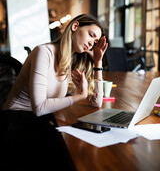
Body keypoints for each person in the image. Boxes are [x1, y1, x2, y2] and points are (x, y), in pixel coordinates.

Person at [0, 14, 107, 170]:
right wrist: (79, 96)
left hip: (40, 120)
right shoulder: (44, 52)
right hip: (15, 123)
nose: (92, 43)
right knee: (70, 154)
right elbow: (39, 108)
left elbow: (96, 102)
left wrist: (98, 63)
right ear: (75, 26)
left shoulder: (71, 59)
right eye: (91, 35)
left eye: (95, 42)